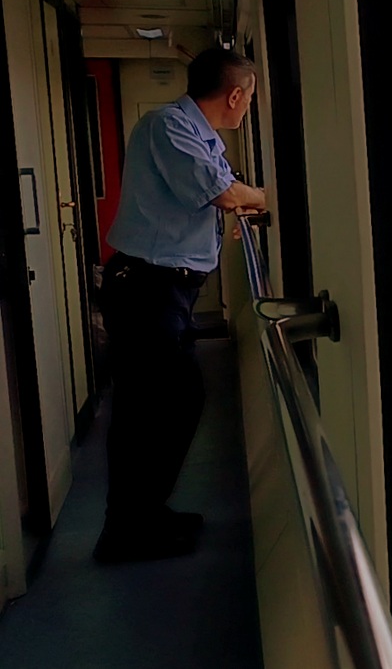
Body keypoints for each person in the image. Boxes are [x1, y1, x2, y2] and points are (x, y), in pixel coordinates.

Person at [93, 48, 267, 564]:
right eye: (250, 98)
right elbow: (225, 193)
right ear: (236, 94)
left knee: (168, 403)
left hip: (167, 290)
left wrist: (240, 204)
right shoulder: (167, 126)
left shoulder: (202, 136)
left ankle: (143, 514)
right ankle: (124, 530)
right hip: (146, 288)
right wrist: (264, 196)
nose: (247, 108)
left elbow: (219, 195)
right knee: (152, 407)